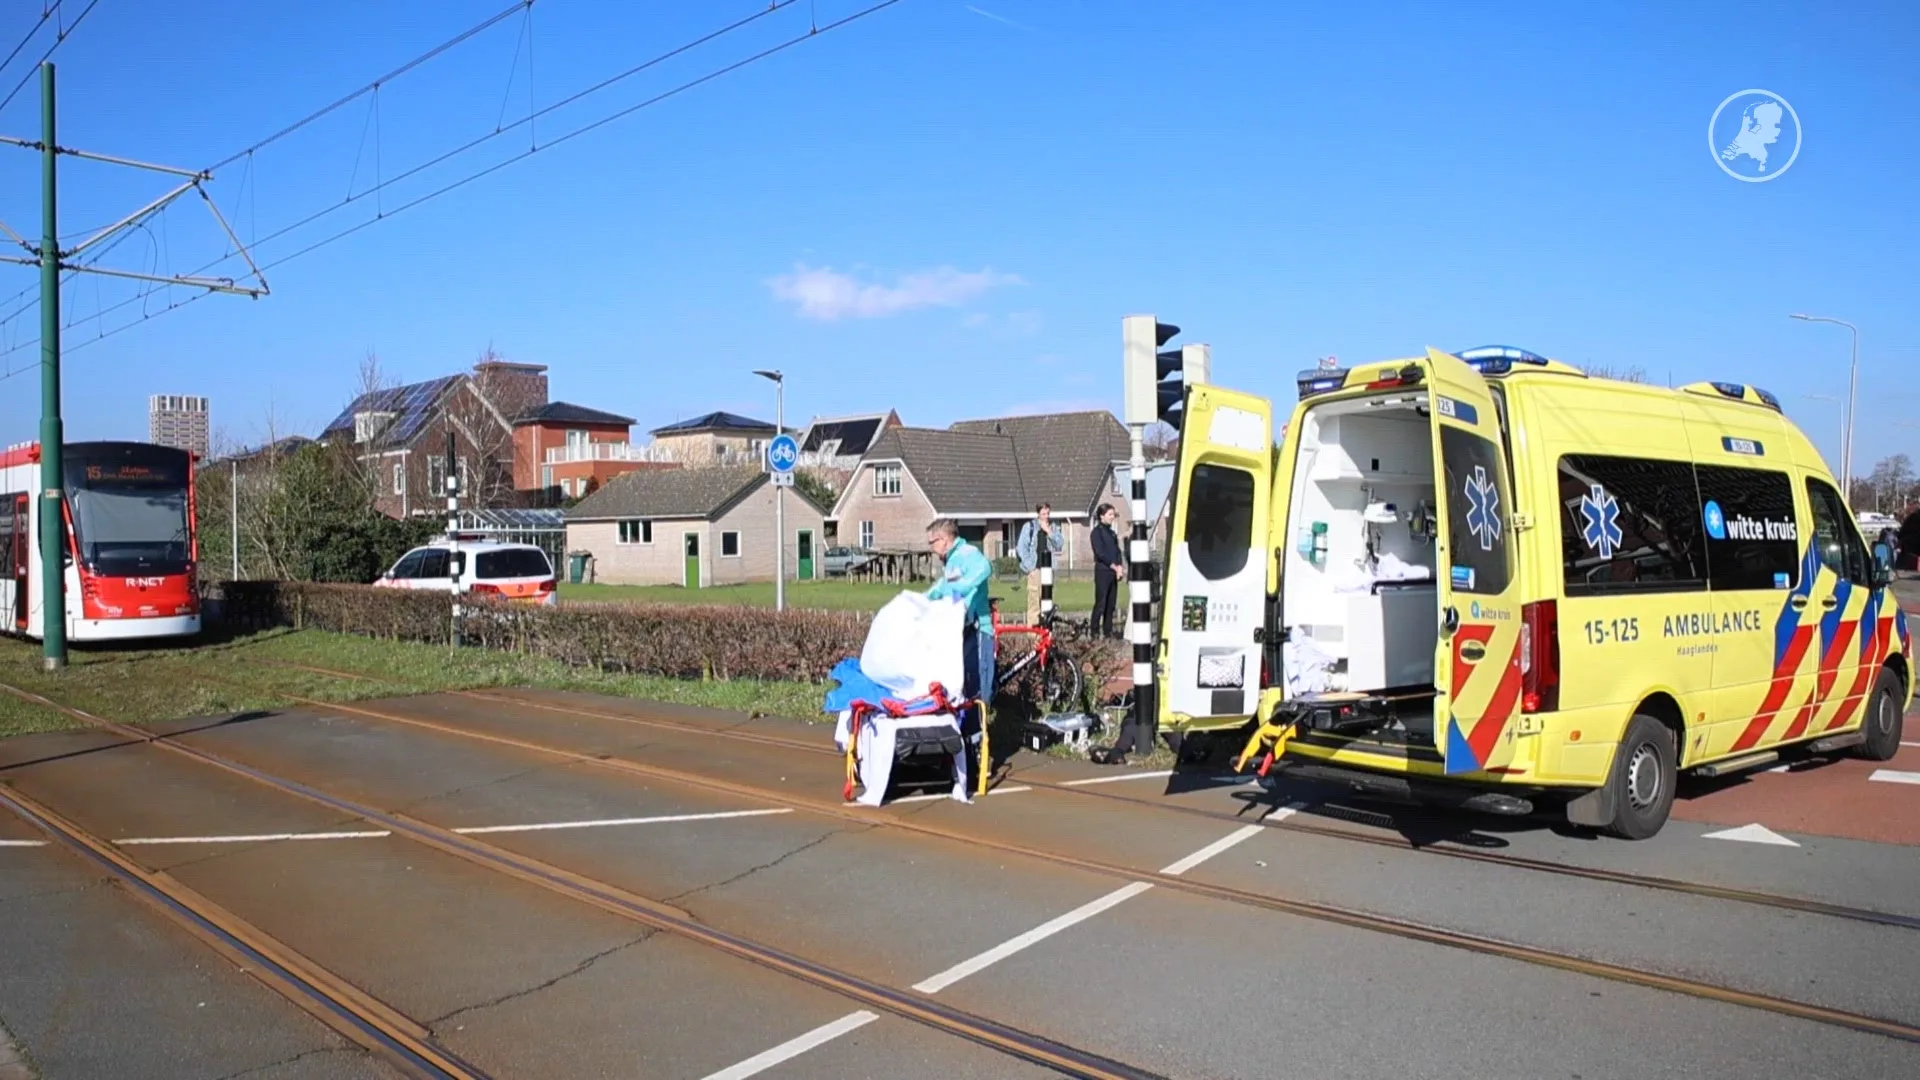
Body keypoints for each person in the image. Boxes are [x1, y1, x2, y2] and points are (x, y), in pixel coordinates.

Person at [925, 518, 995, 706]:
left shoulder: (968, 553)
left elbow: (985, 568)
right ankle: (969, 729)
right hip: (963, 629)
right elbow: (944, 587)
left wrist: (962, 591)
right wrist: (921, 600)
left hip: (979, 629)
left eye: (932, 542)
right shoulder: (952, 561)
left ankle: (983, 730)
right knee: (964, 685)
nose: (931, 547)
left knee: (980, 689)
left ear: (944, 540)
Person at [1015, 503, 1064, 626]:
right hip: (1035, 569)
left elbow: (1059, 544)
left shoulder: (1053, 527)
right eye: (1043, 513)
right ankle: (1033, 637)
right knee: (1034, 604)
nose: (1046, 516)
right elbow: (1021, 548)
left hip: (1049, 569)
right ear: (1038, 513)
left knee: (1047, 603)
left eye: (1048, 513)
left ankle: (1046, 633)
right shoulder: (1029, 527)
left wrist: (1049, 532)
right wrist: (1030, 568)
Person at [1090, 503, 1123, 639]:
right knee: (1101, 602)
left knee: (1111, 603)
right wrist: (1113, 566)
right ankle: (1095, 631)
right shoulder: (1096, 533)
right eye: (1110, 514)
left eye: (1113, 514)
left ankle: (1108, 632)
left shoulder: (1112, 533)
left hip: (1113, 573)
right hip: (1103, 571)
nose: (1112, 517)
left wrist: (1120, 566)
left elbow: (1117, 551)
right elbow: (1100, 553)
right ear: (1102, 516)